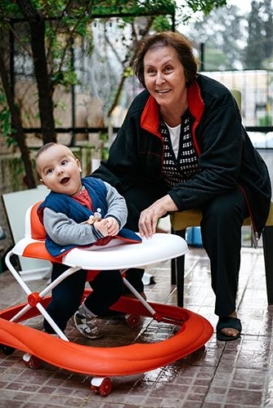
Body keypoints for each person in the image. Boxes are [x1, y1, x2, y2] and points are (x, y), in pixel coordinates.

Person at [92, 31, 271, 341]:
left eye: (168, 69)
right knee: (125, 202)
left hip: (229, 182)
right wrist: (84, 195)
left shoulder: (216, 100)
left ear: (187, 72)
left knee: (221, 210)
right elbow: (118, 167)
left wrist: (164, 203)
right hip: (168, 180)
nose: (159, 80)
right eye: (151, 71)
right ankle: (123, 290)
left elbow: (222, 172)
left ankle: (227, 309)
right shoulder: (141, 109)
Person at [35, 143, 141, 339]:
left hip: (100, 255)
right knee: (66, 300)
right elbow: (60, 232)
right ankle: (51, 331)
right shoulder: (52, 206)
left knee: (114, 288)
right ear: (45, 182)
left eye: (64, 163)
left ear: (78, 165)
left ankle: (85, 315)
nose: (59, 171)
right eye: (50, 171)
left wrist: (114, 219)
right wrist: (92, 231)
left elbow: (117, 201)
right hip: (71, 259)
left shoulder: (99, 185)